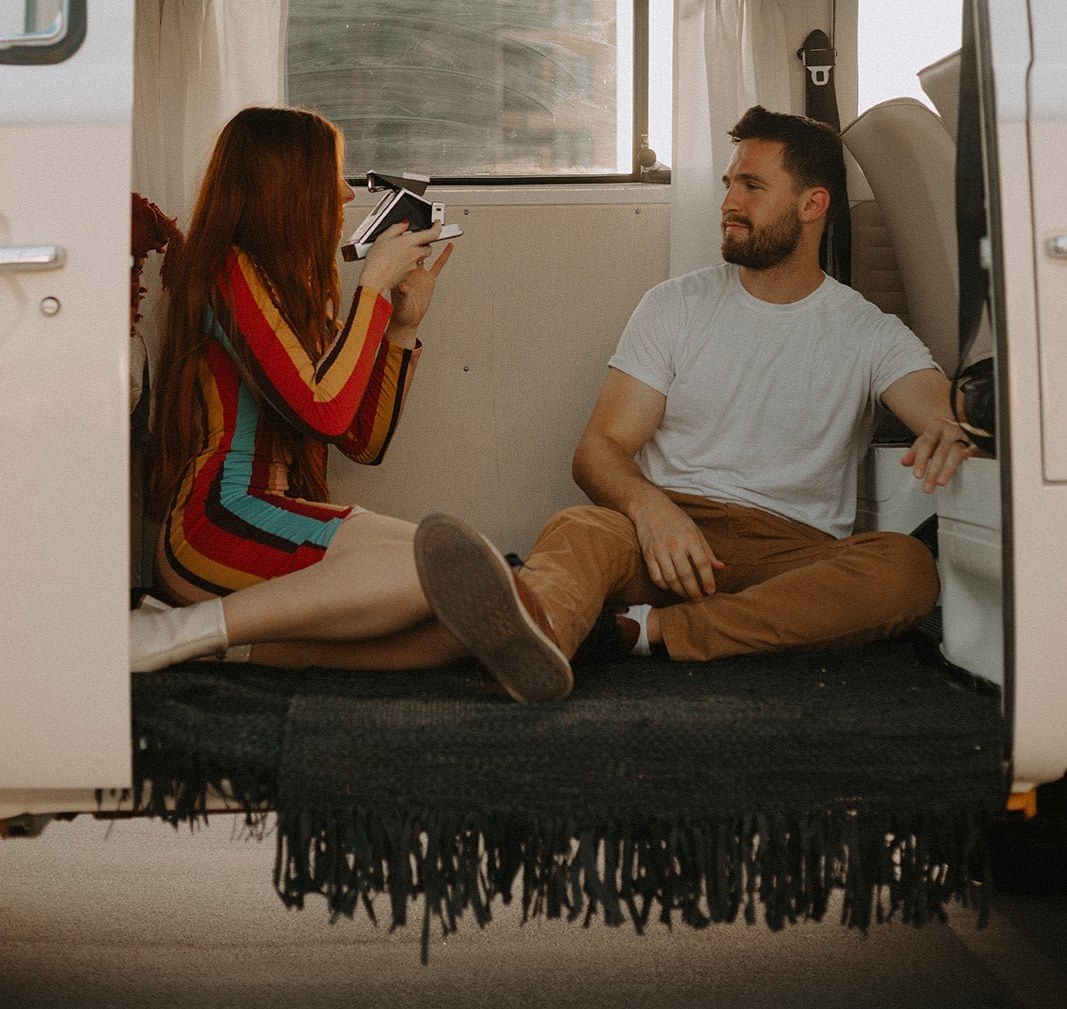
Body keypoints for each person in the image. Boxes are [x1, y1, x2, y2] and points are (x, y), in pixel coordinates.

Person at [413, 106, 980, 705]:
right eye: (728, 183)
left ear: (813, 205)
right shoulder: (673, 306)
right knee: (580, 529)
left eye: (752, 186)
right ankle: (531, 638)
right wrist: (652, 510)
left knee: (906, 570)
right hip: (658, 532)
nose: (729, 201)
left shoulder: (872, 333)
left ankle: (638, 631)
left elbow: (940, 411)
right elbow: (599, 450)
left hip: (787, 554)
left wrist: (955, 425)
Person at [130, 105, 464, 675]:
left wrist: (403, 325)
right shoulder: (226, 272)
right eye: (334, 177)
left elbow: (363, 442)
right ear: (291, 189)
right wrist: (374, 288)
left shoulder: (295, 298)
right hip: (218, 521)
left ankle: (208, 643)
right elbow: (325, 413)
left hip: (278, 511)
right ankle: (179, 628)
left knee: (457, 589)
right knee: (427, 574)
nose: (347, 195)